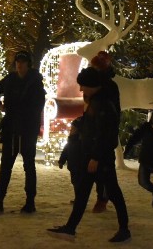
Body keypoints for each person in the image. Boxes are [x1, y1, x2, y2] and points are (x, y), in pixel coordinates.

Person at [47, 67, 131, 243]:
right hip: (93, 155)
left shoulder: (102, 104)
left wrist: (96, 157)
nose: (81, 90)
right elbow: (92, 125)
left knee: (113, 192)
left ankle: (124, 229)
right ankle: (70, 229)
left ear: (92, 85)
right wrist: (80, 124)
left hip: (99, 158)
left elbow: (104, 133)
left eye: (83, 86)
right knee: (84, 193)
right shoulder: (97, 101)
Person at [0, 50, 46, 214]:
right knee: (6, 166)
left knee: (29, 166)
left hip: (26, 129)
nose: (19, 64)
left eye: (23, 62)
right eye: (18, 61)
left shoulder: (35, 82)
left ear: (28, 64)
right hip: (12, 127)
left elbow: (38, 105)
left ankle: (30, 202)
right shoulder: (11, 79)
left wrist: (26, 117)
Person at [88, 50, 120, 212]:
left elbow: (110, 117)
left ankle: (105, 197)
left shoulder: (108, 88)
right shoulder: (96, 86)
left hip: (105, 135)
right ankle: (98, 195)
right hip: (96, 133)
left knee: (105, 170)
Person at [58, 115, 84, 201]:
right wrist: (61, 161)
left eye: (73, 129)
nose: (71, 131)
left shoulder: (81, 142)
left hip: (79, 166)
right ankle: (78, 198)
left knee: (79, 183)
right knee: (74, 182)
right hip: (72, 166)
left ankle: (79, 199)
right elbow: (65, 151)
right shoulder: (70, 140)